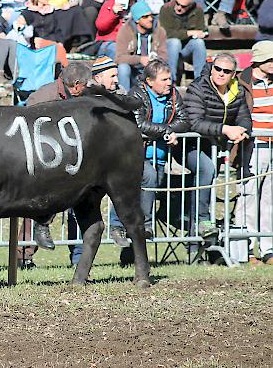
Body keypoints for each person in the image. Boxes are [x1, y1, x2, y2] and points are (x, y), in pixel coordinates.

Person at [108, 59, 189, 247]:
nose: (169, 83)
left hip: (159, 157)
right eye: (164, 79)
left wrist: (168, 130)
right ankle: (128, 225)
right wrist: (167, 131)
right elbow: (139, 123)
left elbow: (184, 121)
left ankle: (131, 253)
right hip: (135, 156)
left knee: (146, 192)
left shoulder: (174, 95)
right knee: (128, 191)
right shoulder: (136, 94)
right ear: (150, 81)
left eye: (170, 79)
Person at [20, 62, 91, 268]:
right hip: (39, 159)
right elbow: (27, 125)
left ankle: (77, 256)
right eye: (85, 84)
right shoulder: (43, 97)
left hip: (66, 159)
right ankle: (24, 254)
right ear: (76, 84)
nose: (87, 87)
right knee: (32, 204)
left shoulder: (80, 97)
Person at [184, 53, 252, 236]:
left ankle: (204, 241)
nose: (221, 73)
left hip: (217, 147)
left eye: (226, 71)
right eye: (218, 69)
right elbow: (194, 122)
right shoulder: (198, 87)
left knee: (209, 176)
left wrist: (241, 130)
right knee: (206, 170)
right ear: (212, 68)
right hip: (192, 144)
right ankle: (202, 222)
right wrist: (225, 129)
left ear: (233, 74)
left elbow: (245, 117)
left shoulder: (237, 90)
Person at [233, 41, 273, 265]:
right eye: (270, 60)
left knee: (269, 200)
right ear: (259, 61)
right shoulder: (243, 83)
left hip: (272, 145)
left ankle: (268, 248)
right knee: (248, 198)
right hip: (253, 146)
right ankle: (246, 249)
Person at [18, 0, 93, 52]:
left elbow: (59, 30)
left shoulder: (52, 11)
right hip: (35, 46)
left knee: (76, 11)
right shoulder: (28, 13)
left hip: (53, 44)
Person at [160, 0, 208, 84]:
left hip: (187, 48)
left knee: (199, 43)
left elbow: (202, 29)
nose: (179, 8)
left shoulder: (197, 10)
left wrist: (202, 33)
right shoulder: (166, 9)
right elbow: (166, 34)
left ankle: (200, 82)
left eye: (183, 6)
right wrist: (188, 33)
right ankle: (171, 80)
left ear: (190, 5)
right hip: (169, 48)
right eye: (177, 3)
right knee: (174, 42)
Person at [116, 1, 168, 90]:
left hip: (153, 70)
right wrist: (140, 59)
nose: (150, 19)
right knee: (123, 68)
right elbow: (119, 58)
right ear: (137, 20)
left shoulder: (159, 31)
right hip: (133, 69)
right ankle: (124, 99)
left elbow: (164, 56)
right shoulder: (125, 31)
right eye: (145, 17)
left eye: (151, 15)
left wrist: (154, 60)